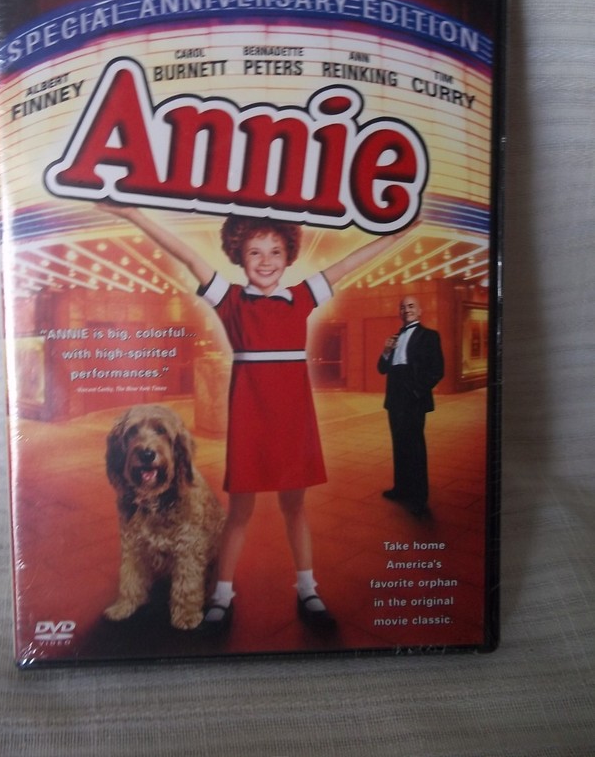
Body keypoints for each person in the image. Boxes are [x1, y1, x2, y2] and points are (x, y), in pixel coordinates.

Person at [103, 203, 386, 632]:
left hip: (293, 422)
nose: (266, 261)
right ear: (239, 255)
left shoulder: (302, 297)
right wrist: (135, 216)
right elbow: (188, 255)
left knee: (295, 508)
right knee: (239, 512)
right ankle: (222, 595)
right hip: (250, 422)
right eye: (255, 252)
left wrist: (395, 235)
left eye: (275, 251)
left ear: (288, 256)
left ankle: (307, 589)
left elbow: (349, 263)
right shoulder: (230, 300)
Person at [377, 296, 444, 518]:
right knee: (399, 445)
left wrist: (416, 392)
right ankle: (401, 489)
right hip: (394, 399)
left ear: (420, 310)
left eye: (411, 306)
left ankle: (418, 498)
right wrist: (386, 351)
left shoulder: (429, 336)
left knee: (415, 448)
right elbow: (382, 369)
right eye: (403, 307)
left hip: (413, 398)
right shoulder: (395, 338)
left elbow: (437, 370)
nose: (407, 310)